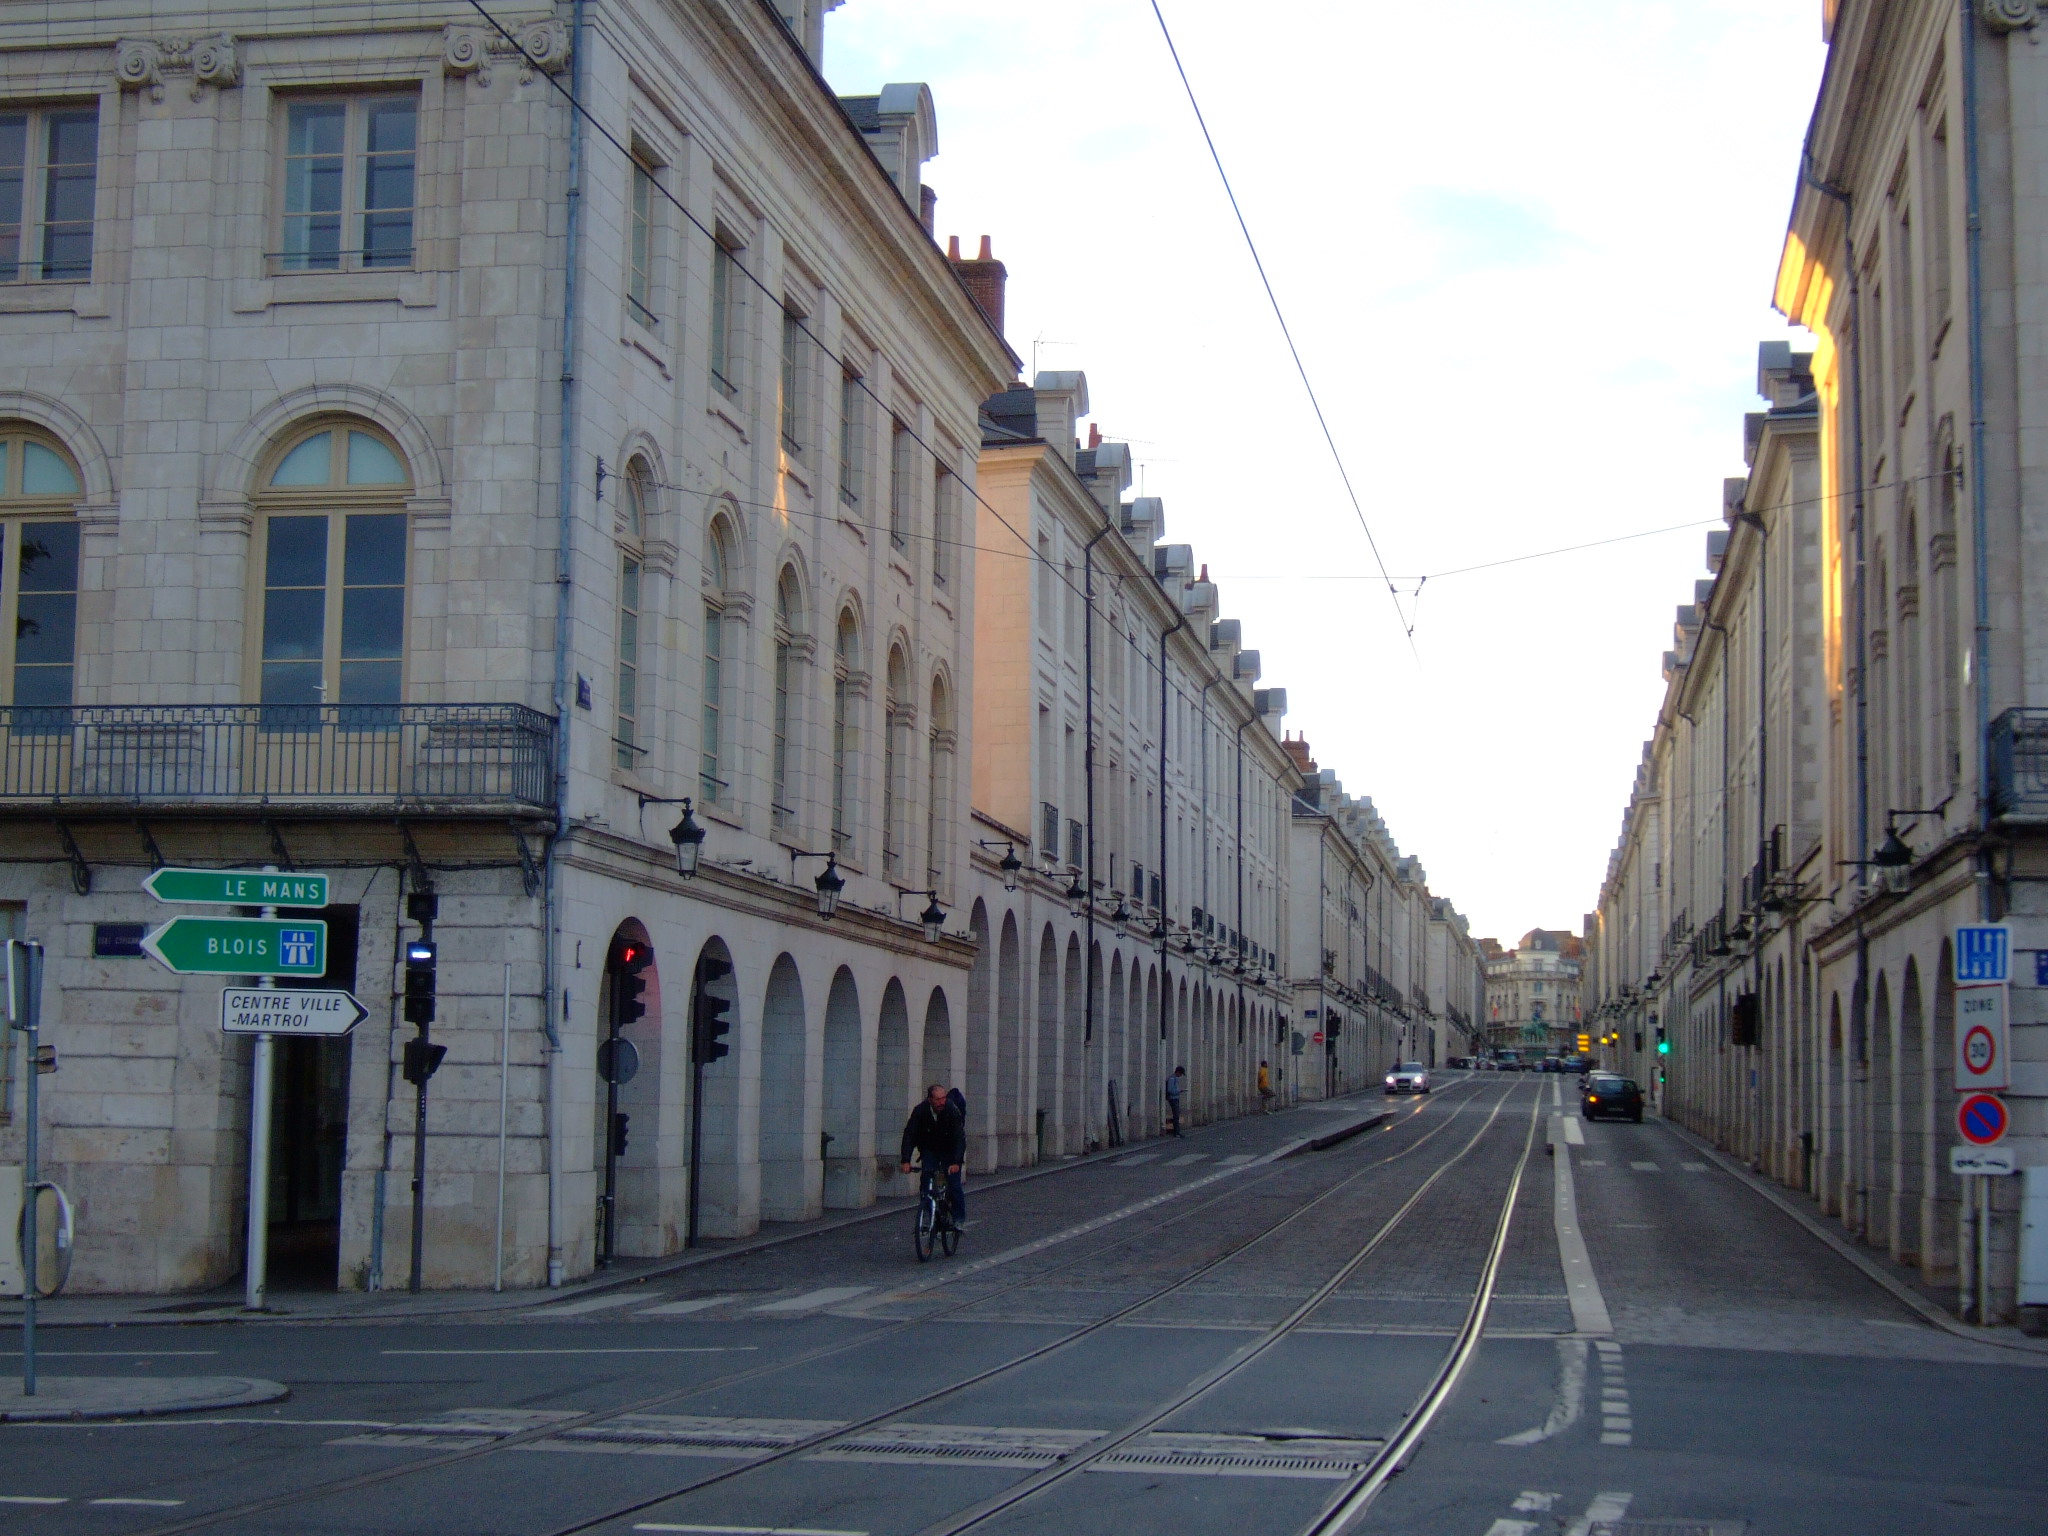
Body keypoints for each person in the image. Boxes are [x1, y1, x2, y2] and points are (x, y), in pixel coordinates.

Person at [900, 1082, 967, 1228]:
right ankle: (928, 1215)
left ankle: (958, 1219)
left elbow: (959, 1138)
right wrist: (905, 1160)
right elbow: (910, 1135)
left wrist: (956, 1162)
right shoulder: (920, 1111)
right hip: (930, 1149)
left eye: (943, 1098)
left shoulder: (951, 1110)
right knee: (926, 1181)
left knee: (954, 1184)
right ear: (930, 1099)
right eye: (938, 1099)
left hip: (949, 1150)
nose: (942, 1102)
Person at [1164, 1065, 1186, 1137]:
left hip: (1175, 1098)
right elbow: (1170, 1090)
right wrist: (1179, 1091)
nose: (1180, 1075)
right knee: (1176, 1115)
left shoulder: (1174, 1078)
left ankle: (1177, 1132)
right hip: (1173, 1098)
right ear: (1178, 1072)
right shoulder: (1172, 1079)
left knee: (1177, 1115)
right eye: (1181, 1074)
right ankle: (1176, 1132)